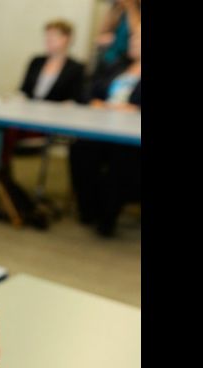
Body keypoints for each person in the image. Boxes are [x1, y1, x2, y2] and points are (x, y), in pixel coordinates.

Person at [0, 20, 85, 205]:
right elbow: (24, 91)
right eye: (47, 36)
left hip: (49, 123)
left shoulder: (76, 68)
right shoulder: (37, 61)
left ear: (66, 39)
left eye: (53, 37)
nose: (48, 41)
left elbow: (74, 101)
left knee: (6, 131)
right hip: (26, 117)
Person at [69, 26, 141, 237]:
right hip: (104, 127)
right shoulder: (119, 66)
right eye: (133, 40)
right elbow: (92, 88)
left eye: (139, 40)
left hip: (133, 137)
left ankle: (107, 218)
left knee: (123, 159)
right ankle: (89, 210)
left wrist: (136, 109)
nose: (133, 44)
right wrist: (95, 101)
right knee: (80, 149)